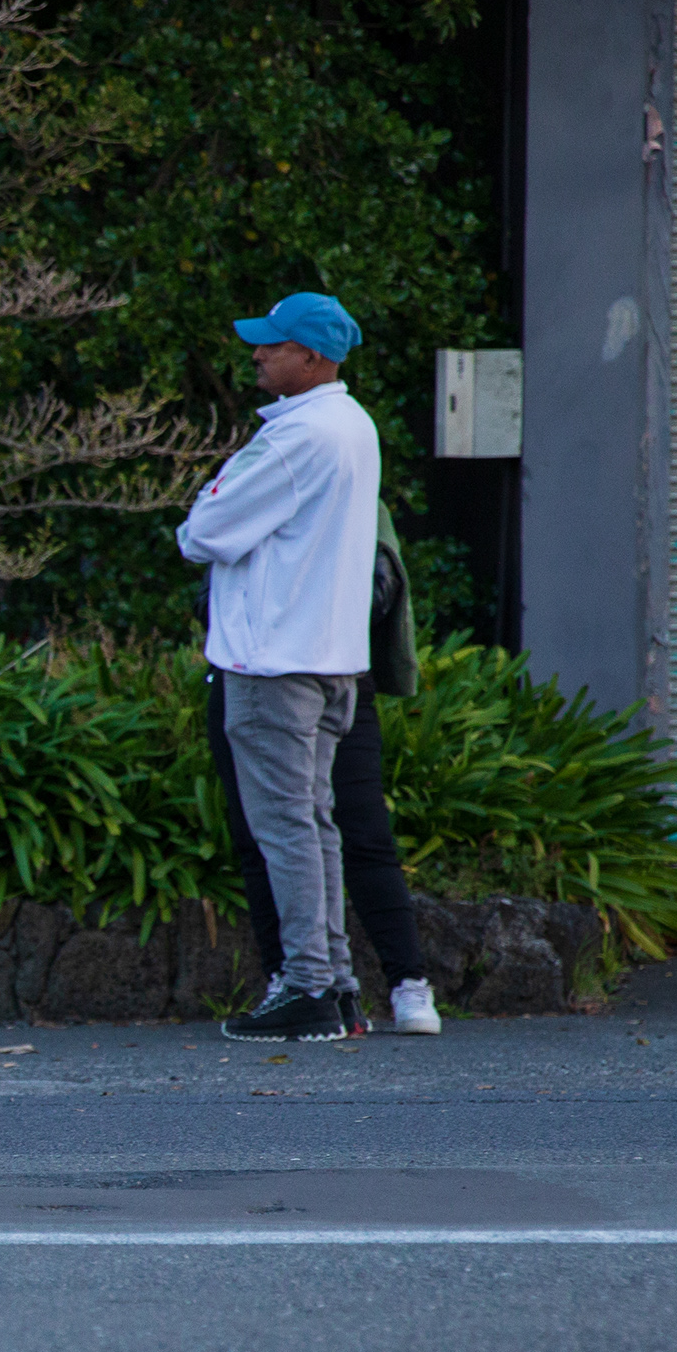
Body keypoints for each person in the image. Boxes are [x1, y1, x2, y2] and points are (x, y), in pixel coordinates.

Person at [178, 290, 379, 1046]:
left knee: (286, 828)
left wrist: (209, 500)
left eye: (273, 344)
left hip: (274, 663)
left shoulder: (296, 437)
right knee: (315, 823)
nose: (258, 354)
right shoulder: (354, 425)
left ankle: (306, 988)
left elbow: (203, 531)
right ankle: (337, 985)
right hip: (332, 661)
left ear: (313, 357)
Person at [211, 501, 443, 1035]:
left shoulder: (333, 482)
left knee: (338, 827)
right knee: (281, 830)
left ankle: (369, 983)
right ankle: (311, 985)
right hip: (274, 664)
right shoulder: (283, 481)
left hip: (311, 666)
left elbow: (199, 536)